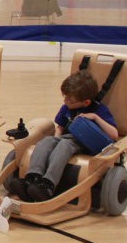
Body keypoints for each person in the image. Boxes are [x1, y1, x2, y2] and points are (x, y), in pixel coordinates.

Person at [8, 71, 118, 202]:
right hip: (66, 138)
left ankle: (48, 185)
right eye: (65, 97)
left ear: (86, 102)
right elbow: (60, 127)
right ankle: (32, 178)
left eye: (69, 100)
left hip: (86, 144)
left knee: (64, 145)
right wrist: (54, 140)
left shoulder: (99, 110)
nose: (65, 101)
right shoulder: (67, 108)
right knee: (47, 141)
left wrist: (95, 117)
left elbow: (114, 134)